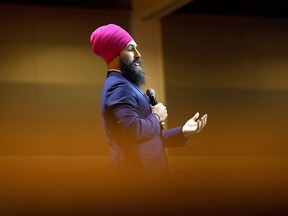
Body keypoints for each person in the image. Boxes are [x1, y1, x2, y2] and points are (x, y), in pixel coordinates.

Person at [90, 23, 207, 175]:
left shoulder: (127, 85)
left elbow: (146, 137)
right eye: (131, 49)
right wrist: (157, 115)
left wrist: (182, 131)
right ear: (114, 54)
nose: (138, 54)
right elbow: (133, 131)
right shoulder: (118, 87)